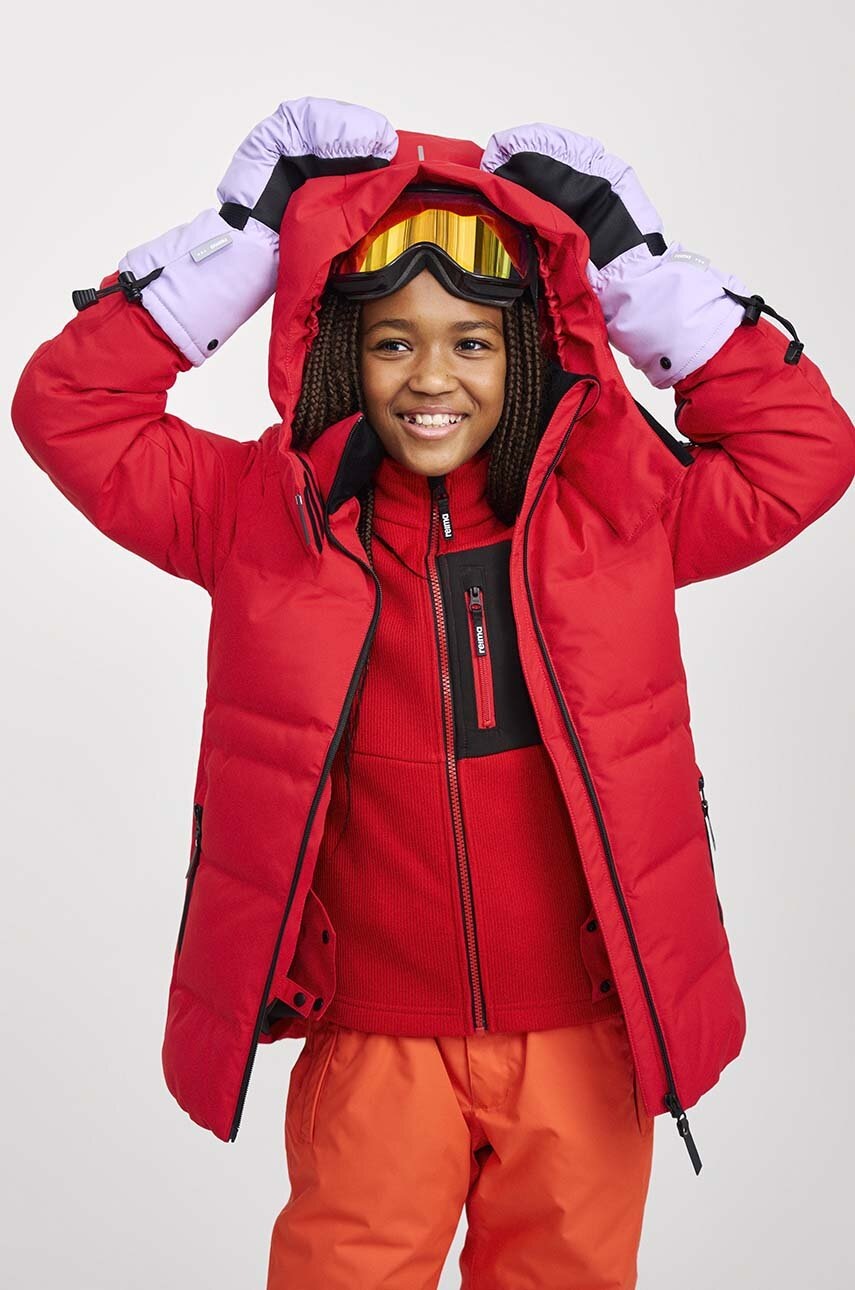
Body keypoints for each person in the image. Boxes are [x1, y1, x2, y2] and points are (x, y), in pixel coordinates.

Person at [10, 97, 855, 1289]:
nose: (432, 378)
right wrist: (243, 241)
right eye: (393, 343)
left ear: (532, 351)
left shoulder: (619, 512)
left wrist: (630, 268)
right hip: (373, 1048)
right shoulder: (261, 515)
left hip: (581, 1044)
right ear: (337, 353)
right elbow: (67, 408)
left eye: (473, 342)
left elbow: (803, 450)